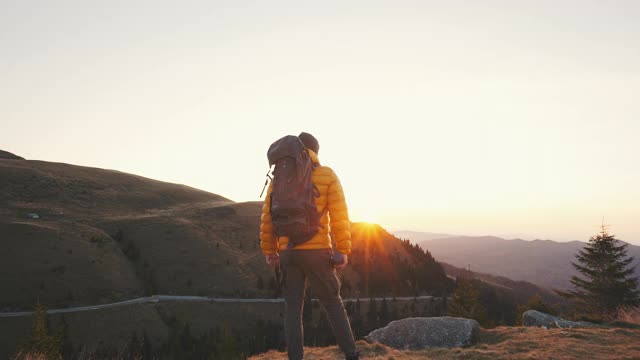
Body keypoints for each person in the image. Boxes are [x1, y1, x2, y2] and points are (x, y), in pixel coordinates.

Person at [260, 132, 359, 360]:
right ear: (314, 151)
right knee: (333, 303)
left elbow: (267, 217)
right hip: (317, 252)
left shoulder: (279, 178)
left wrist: (270, 250)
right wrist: (342, 249)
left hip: (288, 253)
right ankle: (351, 354)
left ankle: (295, 357)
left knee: (293, 309)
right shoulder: (326, 174)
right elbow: (339, 214)